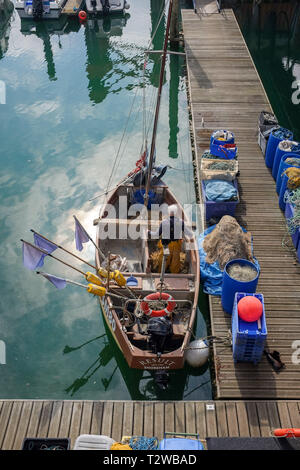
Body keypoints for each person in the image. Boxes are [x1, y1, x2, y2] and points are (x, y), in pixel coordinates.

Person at [148, 204, 194, 274]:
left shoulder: (164, 222)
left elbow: (156, 234)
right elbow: (189, 234)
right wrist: (193, 235)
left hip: (166, 245)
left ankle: (161, 272)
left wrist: (148, 232)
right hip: (176, 245)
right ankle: (174, 275)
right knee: (175, 262)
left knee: (163, 260)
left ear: (168, 212)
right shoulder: (181, 222)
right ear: (176, 213)